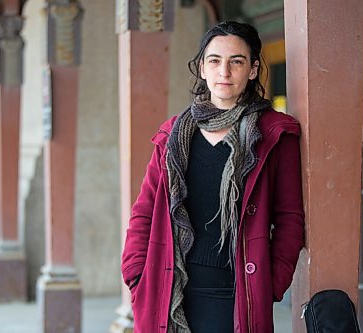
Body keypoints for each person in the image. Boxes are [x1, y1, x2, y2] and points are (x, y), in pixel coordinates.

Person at [121, 21, 305, 333]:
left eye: (237, 61)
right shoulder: (173, 136)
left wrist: (272, 283)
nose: (225, 72)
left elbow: (289, 218)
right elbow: (144, 210)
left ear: (252, 70)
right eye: (215, 61)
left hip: (237, 293)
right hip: (170, 287)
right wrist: (136, 272)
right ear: (202, 69)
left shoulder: (274, 135)